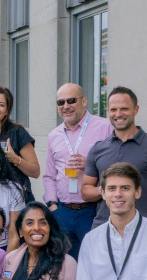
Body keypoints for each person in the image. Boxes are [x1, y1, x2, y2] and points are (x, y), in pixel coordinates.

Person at [81, 86, 147, 227]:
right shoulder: (98, 149)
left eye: (124, 109)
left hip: (142, 229)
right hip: (103, 228)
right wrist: (108, 189)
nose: (118, 114)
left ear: (136, 110)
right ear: (108, 112)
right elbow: (85, 191)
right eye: (113, 109)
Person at [44, 84, 113, 252]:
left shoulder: (105, 127)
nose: (66, 106)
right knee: (65, 265)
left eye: (71, 100)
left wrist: (91, 164)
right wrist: (53, 206)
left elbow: (116, 167)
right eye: (61, 102)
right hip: (62, 211)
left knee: (95, 261)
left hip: (93, 211)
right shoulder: (54, 135)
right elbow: (49, 176)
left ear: (84, 101)